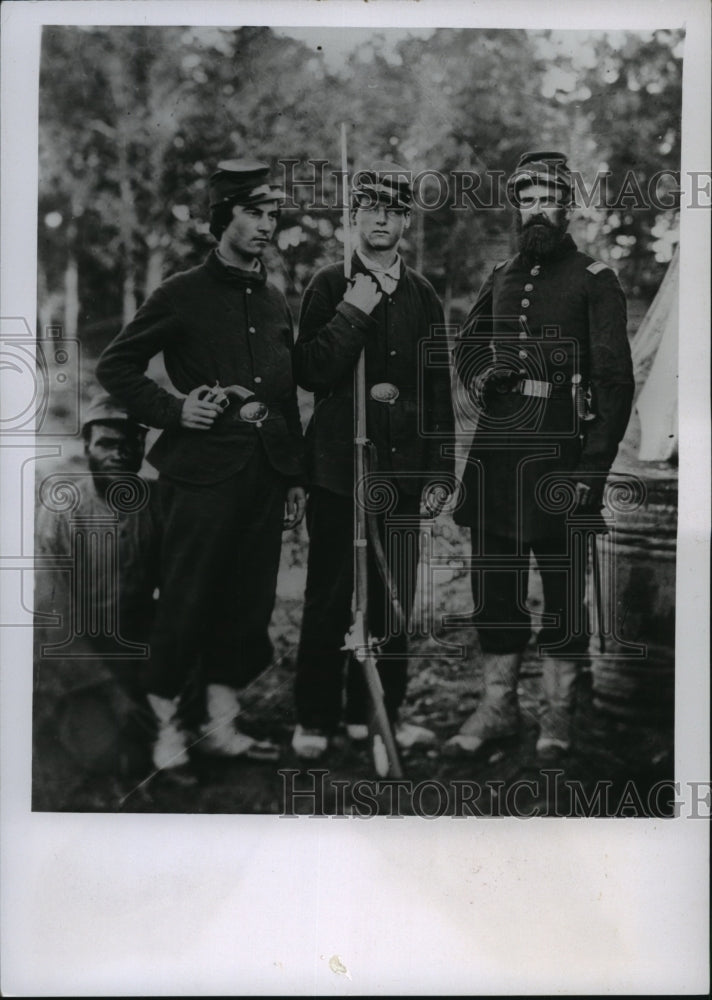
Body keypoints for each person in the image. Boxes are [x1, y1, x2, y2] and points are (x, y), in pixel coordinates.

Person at [96, 159, 306, 773]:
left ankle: (219, 725)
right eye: (253, 212)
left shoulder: (272, 299)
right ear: (222, 218)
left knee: (247, 604)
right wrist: (174, 409)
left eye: (272, 214)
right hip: (198, 480)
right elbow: (116, 366)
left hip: (263, 479)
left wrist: (291, 475)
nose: (266, 224)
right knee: (187, 602)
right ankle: (165, 731)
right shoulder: (181, 293)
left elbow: (285, 393)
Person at [449, 150, 634, 762]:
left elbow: (613, 381)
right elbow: (468, 346)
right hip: (498, 454)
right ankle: (499, 706)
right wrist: (481, 374)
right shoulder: (501, 274)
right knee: (493, 586)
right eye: (524, 201)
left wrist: (592, 469)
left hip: (562, 454)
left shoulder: (595, 279)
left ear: (567, 205)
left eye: (545, 200)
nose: (534, 211)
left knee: (562, 589)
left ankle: (559, 713)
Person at [291, 162, 455, 759]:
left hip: (403, 475)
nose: (381, 218)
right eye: (370, 207)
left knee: (391, 599)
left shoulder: (424, 294)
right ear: (354, 215)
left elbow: (438, 385)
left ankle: (377, 714)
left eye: (393, 209)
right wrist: (354, 309)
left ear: (406, 221)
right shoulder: (328, 284)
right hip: (338, 471)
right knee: (330, 596)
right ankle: (315, 716)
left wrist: (440, 468)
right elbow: (310, 370)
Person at [34, 393, 161, 780]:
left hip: (135, 647)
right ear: (86, 446)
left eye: (131, 443)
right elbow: (53, 614)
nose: (120, 454)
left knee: (158, 742)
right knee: (108, 759)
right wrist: (105, 687)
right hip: (77, 657)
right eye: (106, 443)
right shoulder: (62, 509)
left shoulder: (154, 502)